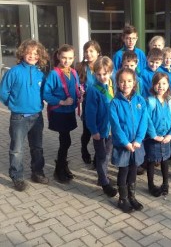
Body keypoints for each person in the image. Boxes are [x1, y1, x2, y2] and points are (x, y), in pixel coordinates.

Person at [0, 39, 49, 191]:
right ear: (22, 54)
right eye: (29, 53)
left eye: (36, 54)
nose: (32, 56)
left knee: (37, 147)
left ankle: (37, 172)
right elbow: (3, 92)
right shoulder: (13, 72)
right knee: (17, 149)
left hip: (37, 116)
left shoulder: (40, 74)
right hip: (19, 118)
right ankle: (17, 176)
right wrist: (12, 104)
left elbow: (44, 93)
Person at [109, 68, 148, 213]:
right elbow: (116, 126)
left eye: (129, 81)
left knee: (133, 170)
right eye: (122, 81)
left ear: (134, 83)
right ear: (117, 83)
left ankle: (132, 196)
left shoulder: (140, 101)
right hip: (123, 145)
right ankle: (122, 199)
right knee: (123, 171)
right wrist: (125, 142)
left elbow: (144, 121)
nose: (126, 84)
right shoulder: (115, 103)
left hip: (136, 144)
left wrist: (138, 140)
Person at [43, 44, 83, 183]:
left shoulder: (73, 72)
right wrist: (61, 102)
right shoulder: (54, 74)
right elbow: (46, 94)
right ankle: (59, 169)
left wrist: (80, 95)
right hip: (59, 112)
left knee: (65, 141)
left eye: (70, 58)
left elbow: (77, 88)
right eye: (64, 57)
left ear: (74, 58)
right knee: (65, 140)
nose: (67, 61)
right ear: (59, 56)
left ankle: (63, 166)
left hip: (69, 111)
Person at [84, 56, 117, 197]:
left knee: (107, 154)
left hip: (111, 129)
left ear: (111, 72)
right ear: (94, 74)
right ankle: (104, 182)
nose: (102, 77)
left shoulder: (114, 85)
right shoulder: (93, 90)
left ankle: (101, 176)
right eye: (99, 74)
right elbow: (89, 113)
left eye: (105, 73)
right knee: (102, 155)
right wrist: (94, 130)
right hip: (99, 129)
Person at [145, 72, 171, 197]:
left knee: (165, 160)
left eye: (164, 83)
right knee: (151, 161)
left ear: (168, 85)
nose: (161, 86)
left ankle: (165, 184)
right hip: (153, 138)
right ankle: (151, 184)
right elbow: (147, 119)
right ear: (153, 85)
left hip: (166, 137)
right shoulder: (150, 101)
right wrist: (153, 135)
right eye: (158, 83)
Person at [76, 40, 101, 165]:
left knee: (100, 131)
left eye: (91, 51)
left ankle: (98, 158)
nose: (88, 54)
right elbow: (76, 85)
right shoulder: (80, 68)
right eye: (86, 51)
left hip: (101, 105)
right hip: (87, 104)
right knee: (87, 131)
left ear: (98, 53)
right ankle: (84, 149)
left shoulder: (102, 66)